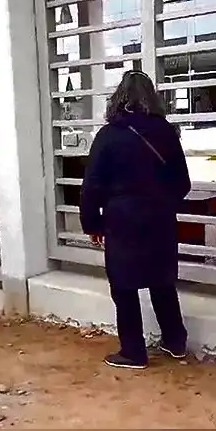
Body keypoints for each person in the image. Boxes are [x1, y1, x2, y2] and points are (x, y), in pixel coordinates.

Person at [80, 70, 192, 369]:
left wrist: (92, 223)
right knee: (162, 281)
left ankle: (133, 352)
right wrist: (163, 202)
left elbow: (92, 184)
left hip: (122, 219)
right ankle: (175, 341)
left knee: (124, 286)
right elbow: (183, 183)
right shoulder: (167, 132)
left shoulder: (108, 135)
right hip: (160, 218)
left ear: (117, 99)